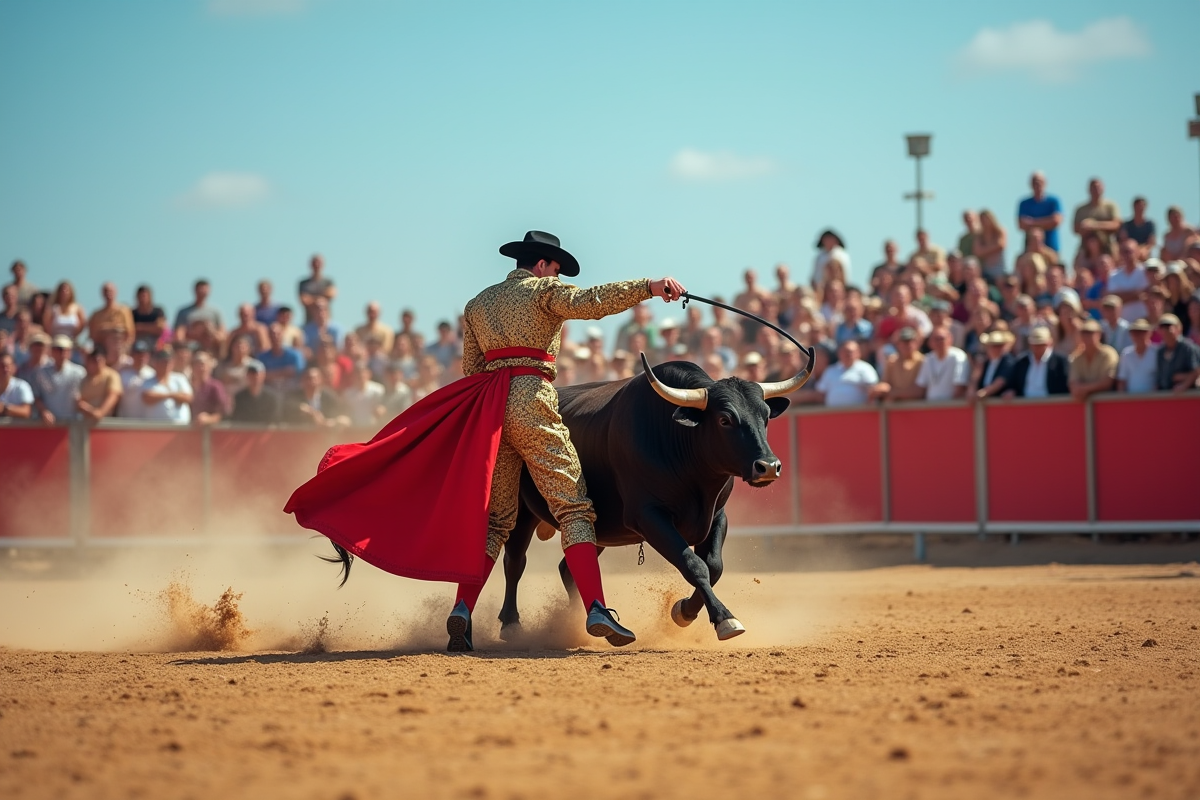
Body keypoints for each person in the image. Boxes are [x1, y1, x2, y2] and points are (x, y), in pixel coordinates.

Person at [285, 230, 686, 652]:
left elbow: (473, 369)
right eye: (556, 268)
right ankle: (596, 608)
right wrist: (649, 287)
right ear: (544, 264)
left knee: (496, 521)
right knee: (572, 506)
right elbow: (592, 302)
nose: (557, 274)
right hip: (533, 400)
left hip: (491, 409)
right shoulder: (544, 292)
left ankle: (462, 610)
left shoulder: (478, 304)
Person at [31, 335, 86, 424]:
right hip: (48, 424)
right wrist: (44, 411)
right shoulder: (41, 372)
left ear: (70, 352)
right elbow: (36, 396)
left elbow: (85, 395)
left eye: (65, 349)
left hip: (72, 422)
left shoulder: (79, 372)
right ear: (52, 351)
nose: (62, 353)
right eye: (58, 349)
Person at [1006, 327, 1069, 398]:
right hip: (1025, 405)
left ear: (1049, 343)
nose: (1037, 347)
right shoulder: (1022, 361)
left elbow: (1064, 386)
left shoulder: (1060, 361)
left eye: (1041, 344)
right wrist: (1012, 391)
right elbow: (1014, 384)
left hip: (1052, 405)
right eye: (1034, 344)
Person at [813, 340, 879, 406]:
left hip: (859, 413)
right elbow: (821, 392)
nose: (848, 355)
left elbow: (873, 389)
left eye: (851, 352)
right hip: (833, 413)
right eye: (845, 352)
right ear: (839, 353)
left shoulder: (866, 368)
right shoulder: (830, 370)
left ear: (858, 353)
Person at [139, 346, 193, 424]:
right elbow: (147, 397)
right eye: (163, 361)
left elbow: (188, 398)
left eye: (168, 361)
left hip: (180, 428)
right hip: (156, 428)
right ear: (155, 363)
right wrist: (172, 395)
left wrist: (162, 395)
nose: (166, 364)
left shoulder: (179, 378)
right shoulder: (147, 380)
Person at [1068, 320, 1118, 401]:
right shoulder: (1077, 358)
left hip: (1108, 403)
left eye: (1090, 333)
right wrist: (1080, 389)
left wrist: (1084, 389)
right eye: (1083, 333)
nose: (1086, 336)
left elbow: (1107, 382)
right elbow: (1073, 383)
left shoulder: (1108, 354)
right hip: (1085, 406)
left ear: (1099, 335)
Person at [915, 326, 969, 401]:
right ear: (930, 342)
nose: (939, 342)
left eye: (942, 339)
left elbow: (960, 386)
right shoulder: (928, 358)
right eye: (936, 339)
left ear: (950, 339)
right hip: (931, 407)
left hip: (950, 406)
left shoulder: (958, 357)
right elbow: (921, 387)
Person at [1017, 171, 1064, 253]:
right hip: (1030, 250)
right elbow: (1021, 224)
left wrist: (1032, 223)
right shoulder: (1024, 203)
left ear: (1045, 183)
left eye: (1040, 182)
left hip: (1051, 247)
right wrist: (1046, 222)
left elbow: (1056, 221)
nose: (1037, 185)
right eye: (1035, 182)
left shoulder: (1053, 202)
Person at [1072, 178, 1121, 255]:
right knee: (1078, 263)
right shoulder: (1081, 209)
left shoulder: (1110, 206)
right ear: (1089, 190)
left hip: (1107, 245)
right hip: (1086, 247)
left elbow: (1116, 224)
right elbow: (1075, 229)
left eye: (1098, 187)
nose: (1096, 190)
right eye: (1093, 187)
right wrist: (1084, 227)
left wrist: (1095, 225)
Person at [876, 327, 925, 402]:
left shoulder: (923, 361)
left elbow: (919, 391)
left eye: (910, 341)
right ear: (898, 344)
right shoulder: (892, 361)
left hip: (917, 408)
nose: (907, 344)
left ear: (917, 343)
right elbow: (886, 383)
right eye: (904, 341)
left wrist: (893, 393)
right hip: (896, 410)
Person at [1155, 314, 1200, 393]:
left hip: (1186, 396)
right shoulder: (1160, 351)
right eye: (1163, 327)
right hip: (1165, 396)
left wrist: (1183, 385)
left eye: (1169, 327)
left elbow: (1196, 371)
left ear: (1178, 328)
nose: (1166, 331)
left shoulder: (1188, 348)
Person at [75, 347, 122, 423]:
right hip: (84, 422)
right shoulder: (83, 377)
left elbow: (113, 396)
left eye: (99, 360)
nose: (96, 363)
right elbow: (78, 399)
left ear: (104, 360)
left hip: (106, 422)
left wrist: (100, 412)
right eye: (93, 360)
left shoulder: (111, 375)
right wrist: (86, 408)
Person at [173, 279, 225, 346]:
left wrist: (210, 330)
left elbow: (223, 336)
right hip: (189, 348)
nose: (202, 291)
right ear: (195, 290)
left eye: (205, 289)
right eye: (200, 289)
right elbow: (178, 335)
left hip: (211, 349)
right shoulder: (183, 312)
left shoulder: (216, 312)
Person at [1109, 239, 1149, 322]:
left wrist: (1123, 297)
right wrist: (1137, 294)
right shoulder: (1114, 275)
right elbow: (1113, 299)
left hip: (1143, 323)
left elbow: (1148, 294)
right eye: (1123, 252)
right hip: (1123, 325)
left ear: (1137, 252)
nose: (1126, 255)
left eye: (1129, 251)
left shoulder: (1146, 272)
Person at [1116, 319, 1158, 394]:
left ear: (1149, 333)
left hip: (1152, 400)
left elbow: (1159, 380)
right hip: (1131, 402)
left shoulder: (1157, 352)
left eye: (1142, 332)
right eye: (1134, 332)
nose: (1138, 336)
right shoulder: (1126, 353)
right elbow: (1122, 381)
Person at [973, 330, 1017, 401]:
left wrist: (983, 393)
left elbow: (1000, 382)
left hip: (1002, 405)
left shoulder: (1008, 361)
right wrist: (972, 390)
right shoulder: (986, 362)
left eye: (999, 345)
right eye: (992, 345)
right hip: (985, 404)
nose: (995, 348)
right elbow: (975, 378)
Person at [190, 352, 230, 426]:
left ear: (209, 366)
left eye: (202, 364)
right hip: (192, 432)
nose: (199, 368)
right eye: (196, 364)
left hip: (211, 433)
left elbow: (224, 411)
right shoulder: (189, 386)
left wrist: (209, 418)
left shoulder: (215, 386)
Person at [118, 340, 155, 418]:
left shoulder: (153, 374)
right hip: (125, 420)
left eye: (144, 354)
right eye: (138, 354)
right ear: (132, 355)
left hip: (147, 422)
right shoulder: (123, 374)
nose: (141, 357)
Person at [298, 254, 337, 324]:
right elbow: (304, 300)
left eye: (319, 262)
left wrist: (312, 299)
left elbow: (332, 294)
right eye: (314, 263)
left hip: (326, 322)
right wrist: (321, 299)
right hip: (309, 321)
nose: (316, 265)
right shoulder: (303, 283)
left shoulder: (328, 282)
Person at [811, 229, 850, 294]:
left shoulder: (842, 255)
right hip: (820, 289)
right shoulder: (819, 257)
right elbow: (815, 274)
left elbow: (845, 275)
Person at [973, 209, 1007, 282]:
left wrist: (984, 250)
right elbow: (977, 252)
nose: (985, 222)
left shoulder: (999, 231)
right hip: (986, 269)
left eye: (986, 219)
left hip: (999, 268)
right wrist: (994, 248)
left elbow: (1001, 245)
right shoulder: (980, 235)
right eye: (982, 220)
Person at [0, 352, 34, 419]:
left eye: (8, 366)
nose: (5, 369)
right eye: (2, 366)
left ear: (14, 367)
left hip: (16, 429)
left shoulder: (22, 386)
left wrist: (4, 409)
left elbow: (27, 412)